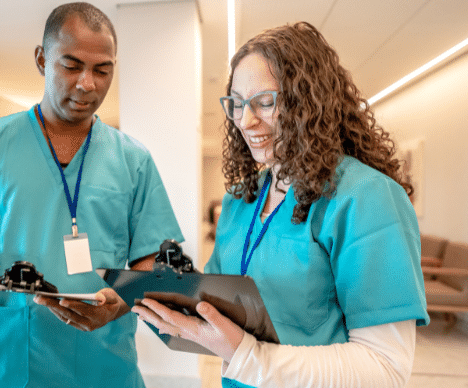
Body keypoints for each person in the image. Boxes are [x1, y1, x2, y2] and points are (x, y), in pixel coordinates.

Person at [132, 22, 429, 388]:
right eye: (237, 104)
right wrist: (168, 301)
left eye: (265, 102)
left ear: (310, 103)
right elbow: (222, 318)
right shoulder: (241, 199)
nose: (246, 120)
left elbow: (385, 368)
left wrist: (250, 357)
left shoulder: (366, 198)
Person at [0, 2, 183, 388]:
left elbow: (153, 259)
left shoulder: (134, 160)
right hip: (5, 362)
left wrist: (120, 302)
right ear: (42, 60)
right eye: (72, 65)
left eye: (102, 69)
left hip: (103, 364)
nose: (87, 83)